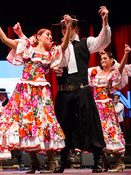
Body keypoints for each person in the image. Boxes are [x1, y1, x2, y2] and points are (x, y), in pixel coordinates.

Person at [0, 9, 72, 173]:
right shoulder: (26, 48)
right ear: (38, 37)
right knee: (26, 124)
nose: (50, 36)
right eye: (46, 34)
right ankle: (33, 162)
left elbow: (65, 44)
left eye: (50, 35)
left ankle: (50, 162)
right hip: (25, 91)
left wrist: (68, 27)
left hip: (41, 92)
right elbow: (5, 39)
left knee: (45, 123)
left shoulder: (51, 53)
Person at [47, 6, 111, 173]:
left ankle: (98, 160)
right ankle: (63, 160)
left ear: (77, 27)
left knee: (91, 125)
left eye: (70, 25)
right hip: (64, 93)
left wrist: (104, 21)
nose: (66, 28)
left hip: (82, 90)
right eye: (63, 26)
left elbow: (103, 42)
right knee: (63, 126)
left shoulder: (85, 42)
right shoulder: (55, 47)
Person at [88, 44, 131, 172]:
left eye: (105, 59)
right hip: (95, 106)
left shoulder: (111, 74)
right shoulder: (95, 72)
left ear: (112, 61)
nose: (103, 61)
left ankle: (119, 162)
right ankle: (105, 162)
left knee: (110, 132)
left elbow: (121, 69)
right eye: (102, 59)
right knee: (97, 135)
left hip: (105, 107)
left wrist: (126, 54)